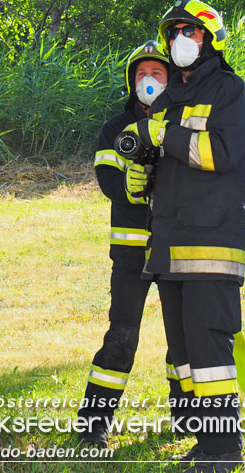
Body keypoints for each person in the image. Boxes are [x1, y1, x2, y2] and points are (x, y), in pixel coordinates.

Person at [123, 0, 245, 473]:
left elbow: (220, 154)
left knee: (210, 350)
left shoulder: (231, 93)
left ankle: (225, 452)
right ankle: (206, 443)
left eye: (191, 31)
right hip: (168, 243)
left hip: (211, 242)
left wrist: (164, 137)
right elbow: (162, 157)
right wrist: (143, 174)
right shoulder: (168, 97)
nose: (181, 40)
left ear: (211, 38)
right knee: (184, 353)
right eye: (174, 32)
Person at [77, 40, 186, 447]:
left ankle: (189, 423)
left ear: (171, 78)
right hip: (131, 254)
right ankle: (93, 426)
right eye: (141, 74)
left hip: (177, 250)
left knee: (184, 342)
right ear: (131, 81)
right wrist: (133, 183)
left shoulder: (182, 124)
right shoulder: (113, 128)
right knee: (122, 338)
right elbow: (108, 180)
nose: (149, 80)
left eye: (157, 73)